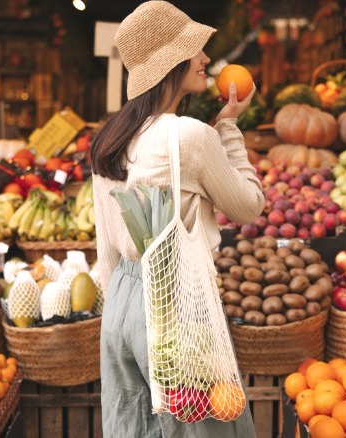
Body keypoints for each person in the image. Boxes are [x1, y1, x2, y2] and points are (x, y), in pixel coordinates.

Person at [90, 2, 264, 436]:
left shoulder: (111, 138)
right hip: (174, 300)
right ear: (171, 63)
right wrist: (229, 129)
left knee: (134, 426)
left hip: (122, 303)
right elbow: (248, 206)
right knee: (201, 429)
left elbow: (106, 242)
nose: (206, 59)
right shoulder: (191, 135)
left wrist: (121, 313)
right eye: (195, 50)